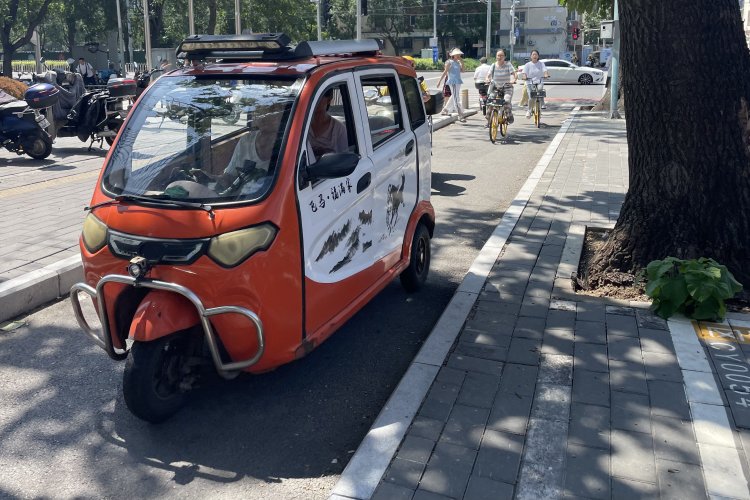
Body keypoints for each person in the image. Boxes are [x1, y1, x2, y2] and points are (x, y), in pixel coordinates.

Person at [307, 88, 347, 162]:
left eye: (318, 97)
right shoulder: (302, 125)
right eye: (311, 97)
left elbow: (343, 160)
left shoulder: (339, 129)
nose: (314, 100)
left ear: (329, 99)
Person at [484, 49, 516, 126]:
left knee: (506, 101)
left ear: (505, 57)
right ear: (496, 57)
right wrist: (487, 79)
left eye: (501, 55)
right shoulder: (493, 65)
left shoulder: (508, 64)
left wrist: (512, 80)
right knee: (490, 102)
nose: (499, 57)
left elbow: (513, 74)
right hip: (495, 88)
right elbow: (488, 75)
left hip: (507, 87)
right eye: (498, 55)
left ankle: (509, 115)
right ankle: (488, 120)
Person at [436, 48, 466, 122]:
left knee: (454, 96)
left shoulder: (458, 62)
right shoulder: (449, 62)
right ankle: (460, 115)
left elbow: (463, 71)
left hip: (458, 81)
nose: (459, 55)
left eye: (459, 54)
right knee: (456, 98)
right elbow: (445, 72)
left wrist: (462, 62)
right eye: (457, 54)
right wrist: (439, 81)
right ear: (453, 55)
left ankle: (445, 110)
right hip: (453, 82)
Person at [521, 49, 550, 118]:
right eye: (533, 54)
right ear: (531, 56)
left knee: (540, 89)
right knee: (531, 97)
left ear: (538, 56)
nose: (534, 56)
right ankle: (529, 110)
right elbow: (524, 73)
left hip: (539, 81)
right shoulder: (527, 65)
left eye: (536, 54)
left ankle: (542, 103)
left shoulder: (541, 64)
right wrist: (525, 77)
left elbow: (545, 71)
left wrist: (546, 75)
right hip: (530, 82)